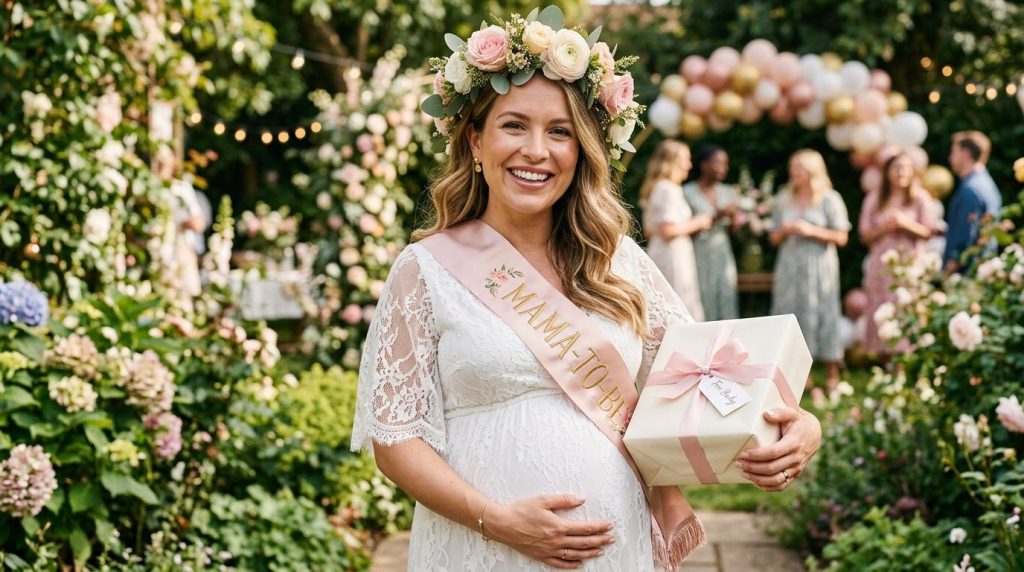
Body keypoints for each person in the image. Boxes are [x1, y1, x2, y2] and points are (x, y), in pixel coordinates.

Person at [351, 9, 822, 571]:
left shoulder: (617, 260)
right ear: (475, 142)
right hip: (481, 549)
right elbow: (396, 438)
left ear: (582, 152)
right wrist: (495, 520)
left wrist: (801, 426)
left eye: (560, 131)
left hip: (611, 554)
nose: (536, 150)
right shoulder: (425, 270)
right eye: (513, 125)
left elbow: (711, 380)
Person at [769, 149, 850, 388]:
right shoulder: (783, 199)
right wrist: (784, 231)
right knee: (791, 314)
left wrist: (810, 230)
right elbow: (773, 238)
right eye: (792, 167)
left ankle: (832, 376)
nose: (793, 172)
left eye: (799, 167)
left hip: (819, 267)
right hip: (789, 267)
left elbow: (842, 236)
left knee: (824, 313)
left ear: (813, 170)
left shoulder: (829, 198)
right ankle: (803, 379)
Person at [858, 153, 937, 357]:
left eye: (905, 167)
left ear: (912, 172)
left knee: (906, 309)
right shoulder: (875, 198)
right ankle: (886, 360)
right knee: (882, 308)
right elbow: (864, 235)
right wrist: (885, 227)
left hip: (909, 265)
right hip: (882, 265)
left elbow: (929, 232)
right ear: (887, 172)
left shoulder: (920, 198)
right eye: (896, 167)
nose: (901, 172)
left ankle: (905, 361)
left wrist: (905, 224)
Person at [639, 140, 712, 321]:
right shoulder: (667, 189)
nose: (689, 165)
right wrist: (698, 222)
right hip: (672, 256)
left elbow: (650, 230)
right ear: (672, 161)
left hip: (666, 251)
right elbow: (667, 230)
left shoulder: (659, 187)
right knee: (678, 303)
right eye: (685, 159)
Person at [682, 145, 739, 321]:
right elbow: (685, 230)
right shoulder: (687, 192)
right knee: (701, 294)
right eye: (718, 163)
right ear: (704, 165)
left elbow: (732, 231)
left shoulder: (728, 191)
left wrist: (735, 219)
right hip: (698, 251)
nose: (724, 168)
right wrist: (718, 215)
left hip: (722, 251)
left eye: (725, 164)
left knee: (726, 293)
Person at [943, 130, 1002, 274]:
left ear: (965, 153)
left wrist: (952, 264)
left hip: (967, 269)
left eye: (953, 152)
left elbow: (966, 233)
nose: (950, 158)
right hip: (983, 266)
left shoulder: (970, 189)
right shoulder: (988, 184)